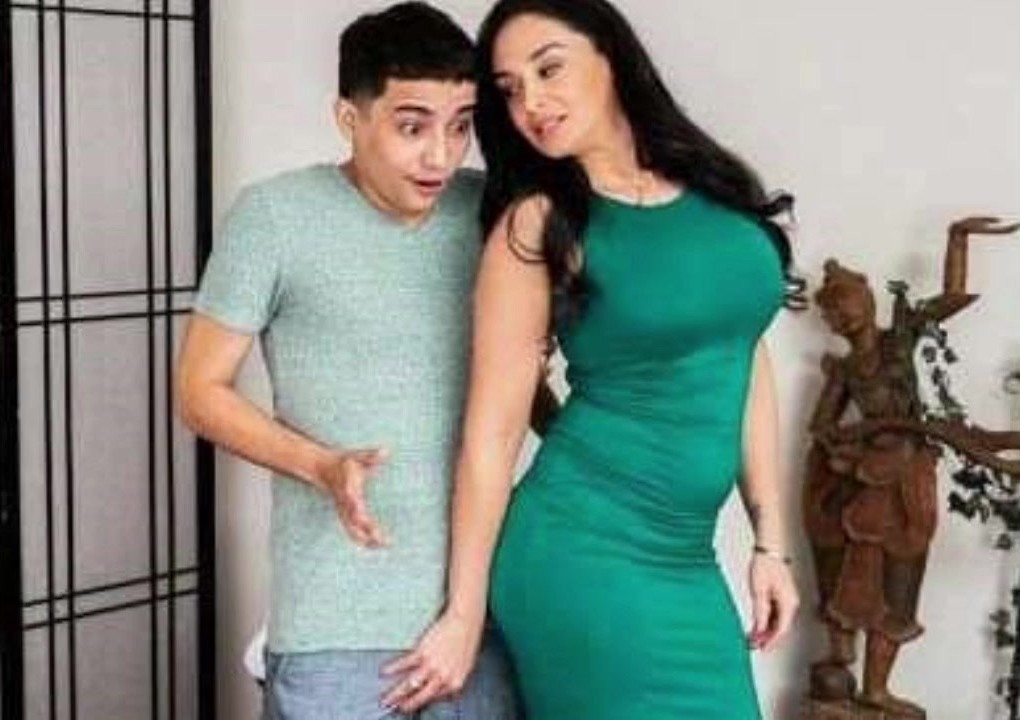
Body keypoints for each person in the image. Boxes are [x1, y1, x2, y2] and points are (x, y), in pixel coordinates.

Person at [390, 0, 802, 717]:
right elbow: (492, 435)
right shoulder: (539, 224)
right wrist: (464, 612)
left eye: (548, 69)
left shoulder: (714, 187)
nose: (530, 103)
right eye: (510, 89)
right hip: (582, 553)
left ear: (611, 55)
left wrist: (771, 543)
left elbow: (740, 354)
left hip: (685, 558)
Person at [174, 4, 520, 718]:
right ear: (348, 119)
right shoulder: (274, 216)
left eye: (461, 126)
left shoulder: (492, 213)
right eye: (412, 126)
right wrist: (321, 466)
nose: (441, 155)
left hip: (483, 620)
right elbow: (199, 391)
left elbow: (516, 380)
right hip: (335, 628)